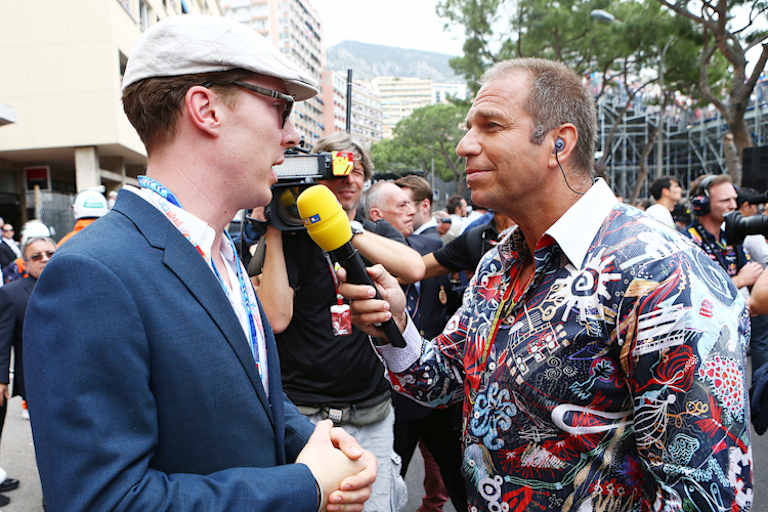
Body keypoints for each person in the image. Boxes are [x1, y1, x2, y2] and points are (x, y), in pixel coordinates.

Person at [339, 58, 753, 511]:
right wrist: (394, 324)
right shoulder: (501, 261)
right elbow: (444, 382)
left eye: (491, 126)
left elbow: (707, 497)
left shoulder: (663, 273)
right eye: (468, 127)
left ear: (560, 142)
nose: (463, 145)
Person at [24, 15, 375, 512]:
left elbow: (245, 400)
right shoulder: (92, 275)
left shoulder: (221, 251)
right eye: (280, 107)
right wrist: (304, 486)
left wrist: (316, 443)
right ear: (205, 109)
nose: (293, 134)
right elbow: (102, 500)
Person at [259, 133, 423, 512]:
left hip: (372, 413)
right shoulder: (292, 242)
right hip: (306, 415)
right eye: (337, 171)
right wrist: (276, 225)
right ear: (314, 179)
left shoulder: (375, 233)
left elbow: (414, 267)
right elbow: (275, 318)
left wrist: (342, 230)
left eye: (357, 171)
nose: (349, 180)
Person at [368, 180, 467, 512]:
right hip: (393, 398)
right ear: (376, 216)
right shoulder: (357, 260)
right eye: (401, 206)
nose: (411, 210)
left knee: (461, 482)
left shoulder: (429, 248)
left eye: (412, 204)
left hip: (440, 396)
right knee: (386, 488)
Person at [0, 237, 55, 506]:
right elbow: (2, 339)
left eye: (50, 253)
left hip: (78, 381)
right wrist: (1, 378)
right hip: (38, 383)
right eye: (37, 256)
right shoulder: (12, 294)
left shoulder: (75, 284)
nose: (45, 258)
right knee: (49, 444)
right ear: (24, 262)